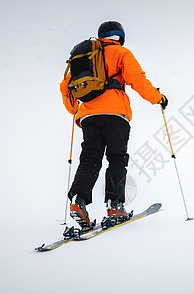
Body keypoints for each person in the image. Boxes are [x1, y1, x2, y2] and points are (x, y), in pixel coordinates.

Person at [60, 21, 168, 229]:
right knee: (117, 158)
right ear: (120, 36)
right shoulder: (121, 53)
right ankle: (115, 205)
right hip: (116, 114)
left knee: (90, 158)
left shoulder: (84, 55)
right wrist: (158, 98)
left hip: (88, 116)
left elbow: (65, 87)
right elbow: (138, 80)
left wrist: (74, 109)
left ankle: (78, 201)